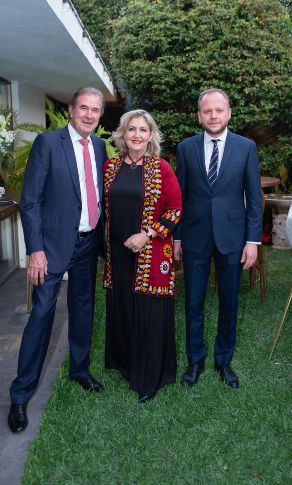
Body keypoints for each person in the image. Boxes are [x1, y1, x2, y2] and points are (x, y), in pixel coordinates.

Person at [8, 87, 108, 433]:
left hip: (88, 243)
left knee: (83, 310)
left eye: (96, 110)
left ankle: (79, 369)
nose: (90, 115)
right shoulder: (48, 144)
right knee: (42, 316)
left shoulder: (98, 146)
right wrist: (35, 250)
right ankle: (20, 395)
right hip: (50, 248)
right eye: (84, 108)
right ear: (70, 109)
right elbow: (30, 201)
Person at [173, 88, 262, 389]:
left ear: (229, 113)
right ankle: (195, 360)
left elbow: (254, 196)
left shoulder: (246, 147)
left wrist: (253, 240)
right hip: (195, 237)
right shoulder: (186, 149)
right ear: (199, 115)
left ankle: (224, 361)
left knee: (229, 302)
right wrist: (178, 237)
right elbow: (180, 197)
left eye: (219, 110)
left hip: (233, 238)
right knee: (194, 302)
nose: (213, 116)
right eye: (207, 111)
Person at [102, 109, 182, 403]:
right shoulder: (110, 168)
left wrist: (147, 235)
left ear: (151, 136)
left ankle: (151, 377)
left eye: (143, 130)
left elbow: (175, 210)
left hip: (150, 254)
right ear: (123, 134)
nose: (136, 135)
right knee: (124, 307)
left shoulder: (162, 168)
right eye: (131, 129)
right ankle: (127, 365)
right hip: (118, 255)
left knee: (148, 313)